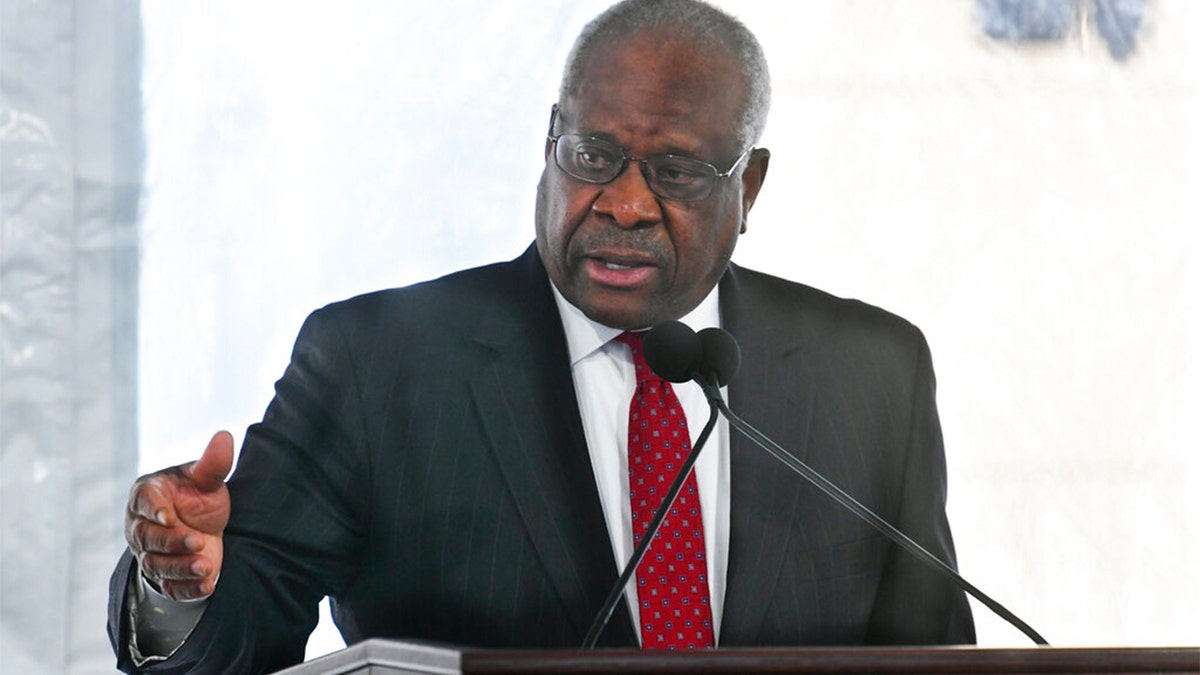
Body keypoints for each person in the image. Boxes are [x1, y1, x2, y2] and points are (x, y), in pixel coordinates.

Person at [110, 0, 975, 672]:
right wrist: (179, 582)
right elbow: (244, 624)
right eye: (593, 156)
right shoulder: (377, 365)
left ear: (749, 187)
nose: (625, 203)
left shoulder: (872, 374)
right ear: (549, 141)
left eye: (673, 171)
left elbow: (934, 661)